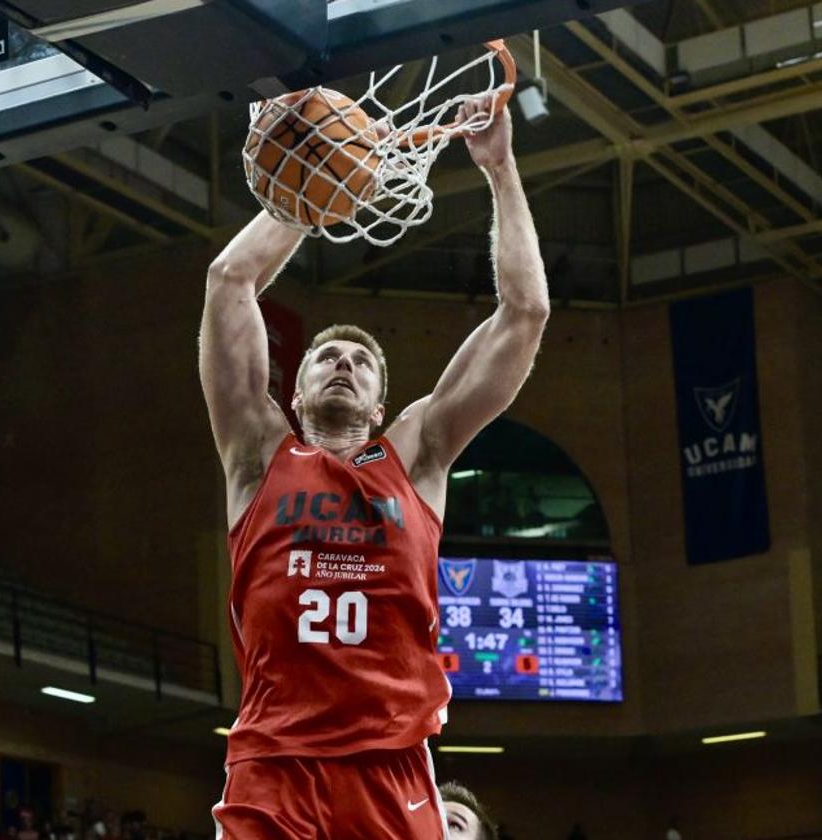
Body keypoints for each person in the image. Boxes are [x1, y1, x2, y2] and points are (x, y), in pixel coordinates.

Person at [200, 89, 548, 840]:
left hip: (388, 765)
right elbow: (229, 282)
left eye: (361, 362)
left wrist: (500, 168)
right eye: (327, 355)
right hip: (273, 761)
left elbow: (524, 315)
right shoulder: (258, 455)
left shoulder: (415, 455)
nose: (343, 365)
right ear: (292, 390)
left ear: (382, 403)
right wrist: (316, 180)